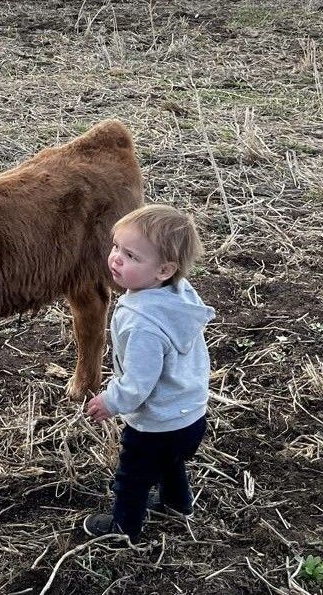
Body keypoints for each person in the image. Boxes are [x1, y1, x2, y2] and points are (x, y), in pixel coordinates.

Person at [82, 205, 213, 543]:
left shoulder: (143, 324)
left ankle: (123, 529)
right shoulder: (179, 295)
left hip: (156, 425)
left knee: (133, 478)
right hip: (190, 415)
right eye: (115, 247)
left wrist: (111, 401)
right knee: (171, 463)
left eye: (131, 256)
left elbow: (140, 383)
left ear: (164, 270)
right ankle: (177, 503)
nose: (116, 259)